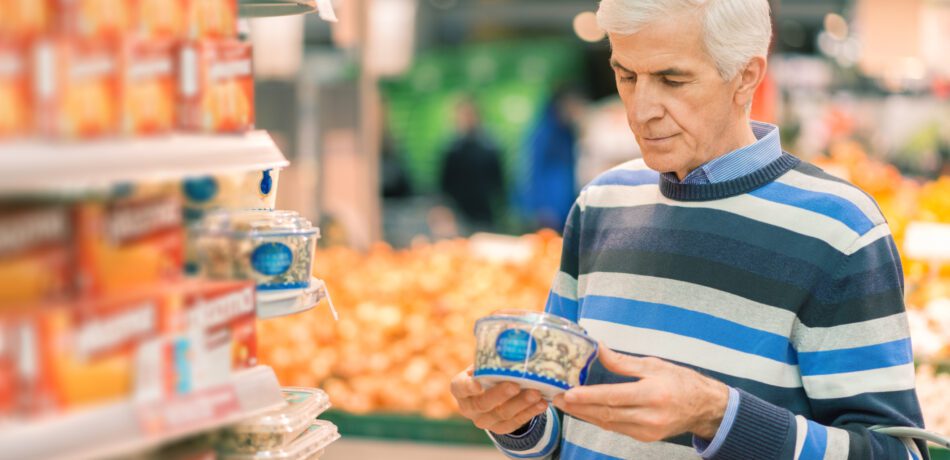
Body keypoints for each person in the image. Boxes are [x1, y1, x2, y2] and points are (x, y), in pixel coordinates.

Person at [449, 0, 928, 458]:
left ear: (746, 77)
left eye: (672, 80)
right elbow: (564, 429)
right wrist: (514, 419)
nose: (640, 109)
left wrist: (716, 415)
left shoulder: (840, 230)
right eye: (626, 75)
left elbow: (895, 453)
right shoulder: (601, 204)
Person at [439, 98, 505, 233]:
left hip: (485, 213)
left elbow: (498, 183)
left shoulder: (489, 147)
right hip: (459, 214)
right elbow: (445, 185)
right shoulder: (452, 150)